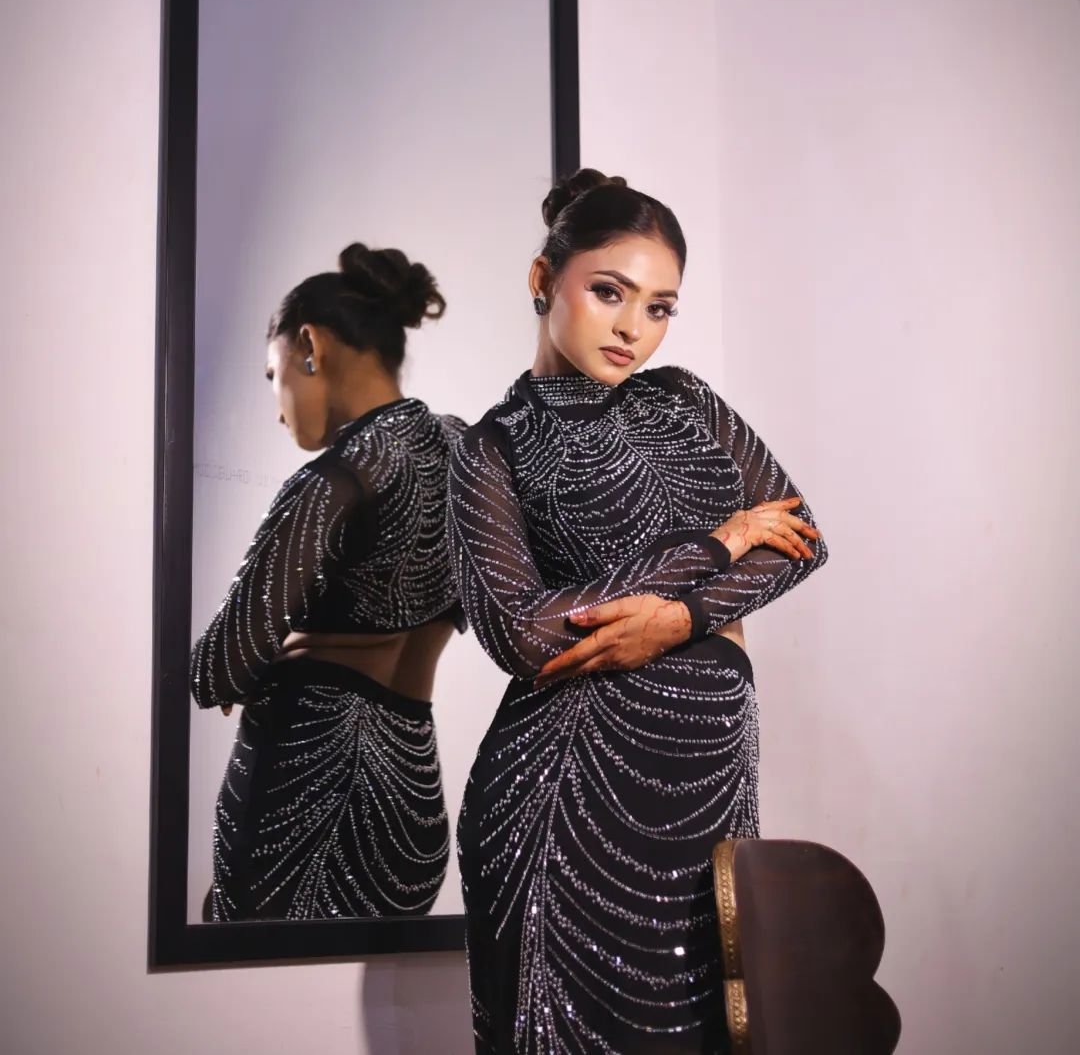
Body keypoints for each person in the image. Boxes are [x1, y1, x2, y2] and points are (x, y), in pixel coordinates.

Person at [448, 170, 828, 1053]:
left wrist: (677, 622)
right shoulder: (489, 447)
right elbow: (523, 631)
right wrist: (716, 546)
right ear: (543, 278)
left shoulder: (686, 400)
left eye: (659, 308)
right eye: (609, 293)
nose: (633, 329)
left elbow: (801, 538)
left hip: (708, 784)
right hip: (564, 796)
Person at [190, 243, 466, 922]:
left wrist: (264, 659)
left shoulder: (340, 478)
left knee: (253, 982)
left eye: (272, 373)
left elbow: (216, 669)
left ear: (309, 346)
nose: (278, 408)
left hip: (303, 792)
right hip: (409, 800)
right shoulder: (465, 450)